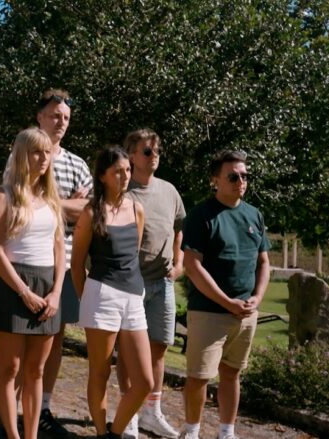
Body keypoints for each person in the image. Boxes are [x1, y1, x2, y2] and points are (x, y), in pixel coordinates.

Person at [179, 150, 270, 439]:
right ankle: (191, 431)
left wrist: (257, 297)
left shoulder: (254, 214)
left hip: (245, 314)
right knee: (199, 377)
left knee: (231, 373)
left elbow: (263, 262)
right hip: (209, 312)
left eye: (244, 175)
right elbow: (192, 266)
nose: (240, 181)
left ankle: (226, 432)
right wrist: (226, 302)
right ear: (215, 180)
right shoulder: (201, 215)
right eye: (233, 176)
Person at [71, 146, 153, 439]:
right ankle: (100, 432)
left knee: (145, 381)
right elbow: (76, 264)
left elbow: (133, 255)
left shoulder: (136, 209)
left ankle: (114, 432)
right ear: (103, 176)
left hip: (133, 296)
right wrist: (88, 300)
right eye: (118, 171)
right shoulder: (91, 212)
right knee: (100, 372)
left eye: (128, 170)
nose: (125, 175)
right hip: (101, 295)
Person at [0, 127, 65, 439]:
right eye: (36, 151)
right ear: (22, 155)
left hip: (48, 287)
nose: (43, 158)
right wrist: (23, 291)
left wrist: (57, 292)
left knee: (36, 370)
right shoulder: (3, 196)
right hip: (14, 286)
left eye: (47, 152)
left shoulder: (52, 199)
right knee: (10, 368)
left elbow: (59, 249)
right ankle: (12, 434)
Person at [116, 129, 185, 439]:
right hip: (131, 283)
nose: (154, 155)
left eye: (157, 150)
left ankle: (151, 413)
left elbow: (178, 228)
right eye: (147, 151)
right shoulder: (123, 191)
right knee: (128, 351)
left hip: (163, 283)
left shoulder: (169, 190)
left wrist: (179, 263)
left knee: (159, 348)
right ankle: (128, 413)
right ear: (131, 155)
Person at [35, 89, 92, 438]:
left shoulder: (78, 164)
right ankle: (16, 409)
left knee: (55, 338)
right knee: (25, 340)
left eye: (66, 118)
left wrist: (49, 201)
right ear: (40, 117)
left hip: (67, 264)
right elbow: (22, 202)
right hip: (30, 260)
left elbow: (89, 212)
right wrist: (65, 204)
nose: (61, 122)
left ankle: (42, 408)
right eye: (55, 115)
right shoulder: (25, 154)